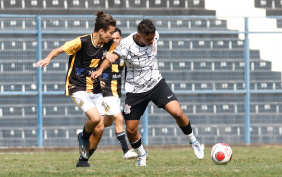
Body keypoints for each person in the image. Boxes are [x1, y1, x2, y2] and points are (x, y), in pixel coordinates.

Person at [91, 19, 204, 166]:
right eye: (148, 39)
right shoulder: (126, 45)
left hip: (156, 84)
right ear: (139, 36)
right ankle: (141, 154)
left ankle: (193, 141)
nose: (152, 42)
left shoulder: (155, 35)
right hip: (135, 90)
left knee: (177, 113)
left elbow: (153, 37)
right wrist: (100, 69)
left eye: (153, 38)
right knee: (131, 130)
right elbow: (112, 58)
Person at [36, 11, 116, 167]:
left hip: (96, 88)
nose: (112, 36)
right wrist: (47, 59)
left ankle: (83, 161)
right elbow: (58, 50)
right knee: (95, 119)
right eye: (110, 32)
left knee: (101, 128)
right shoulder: (81, 42)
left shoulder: (109, 43)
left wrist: (104, 67)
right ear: (101, 31)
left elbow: (107, 59)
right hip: (77, 86)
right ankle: (83, 136)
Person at [76, 28, 137, 166]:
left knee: (103, 126)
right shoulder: (104, 54)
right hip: (106, 93)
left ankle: (83, 154)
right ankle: (126, 151)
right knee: (119, 118)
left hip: (116, 94)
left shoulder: (122, 54)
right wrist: (97, 81)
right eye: (113, 38)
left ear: (121, 39)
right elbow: (89, 68)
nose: (115, 40)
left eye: (117, 38)